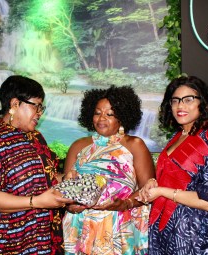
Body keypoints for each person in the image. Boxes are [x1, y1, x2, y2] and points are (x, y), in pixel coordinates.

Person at [0, 75, 73, 254]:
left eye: (41, 107)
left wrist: (65, 179)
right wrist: (36, 202)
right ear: (14, 104)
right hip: (3, 243)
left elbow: (45, 177)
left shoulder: (35, 138)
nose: (39, 112)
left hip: (39, 240)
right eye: (35, 105)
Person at [137, 76, 208, 254]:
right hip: (168, 232)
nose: (180, 106)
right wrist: (153, 182)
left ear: (203, 103)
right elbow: (177, 177)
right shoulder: (178, 136)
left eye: (188, 100)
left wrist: (163, 192)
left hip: (199, 238)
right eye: (175, 101)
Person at [62, 85, 156, 254]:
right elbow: (65, 191)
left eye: (109, 114)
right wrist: (70, 206)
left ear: (122, 117)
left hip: (118, 228)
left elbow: (148, 191)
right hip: (80, 227)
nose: (101, 118)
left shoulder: (135, 145)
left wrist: (126, 203)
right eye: (97, 113)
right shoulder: (78, 146)